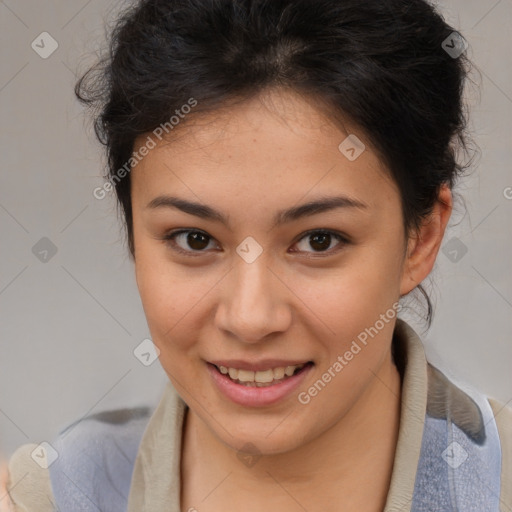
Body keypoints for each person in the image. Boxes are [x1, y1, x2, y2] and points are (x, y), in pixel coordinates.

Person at [2, 0, 511, 511]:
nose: (250, 319)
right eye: (194, 239)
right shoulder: (48, 495)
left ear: (420, 238)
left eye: (319, 240)